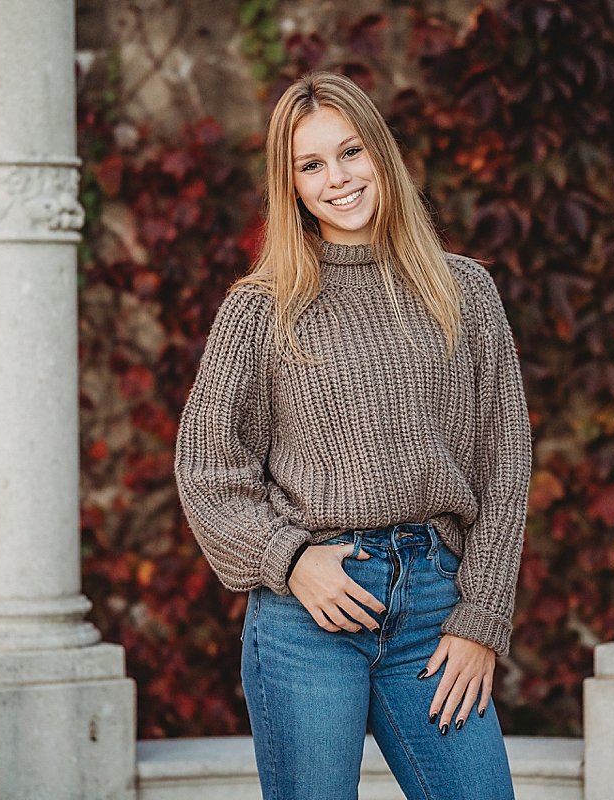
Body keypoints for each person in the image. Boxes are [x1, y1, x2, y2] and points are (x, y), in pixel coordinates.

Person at [173, 69, 531, 800]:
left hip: (436, 605)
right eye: (311, 164)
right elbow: (206, 468)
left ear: (381, 154)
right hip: (309, 612)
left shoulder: (464, 290)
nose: (337, 178)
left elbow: (506, 462)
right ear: (292, 184)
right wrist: (289, 558)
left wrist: (483, 616)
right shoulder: (261, 310)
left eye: (351, 152)